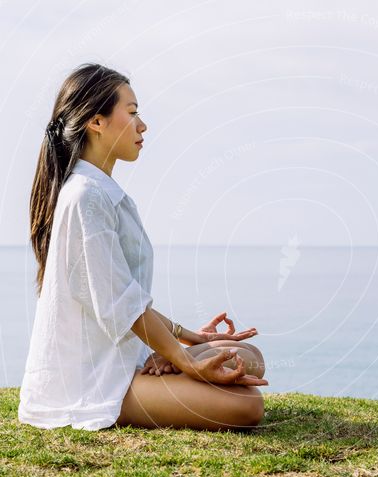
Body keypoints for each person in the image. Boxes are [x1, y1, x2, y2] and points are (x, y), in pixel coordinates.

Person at [19, 63, 268, 433]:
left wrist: (190, 339)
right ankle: (157, 380)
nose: (142, 125)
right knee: (246, 406)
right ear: (96, 122)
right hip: (92, 381)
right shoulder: (85, 197)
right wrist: (184, 359)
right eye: (132, 113)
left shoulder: (100, 193)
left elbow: (127, 297)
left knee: (250, 358)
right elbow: (119, 304)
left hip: (122, 359)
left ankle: (162, 372)